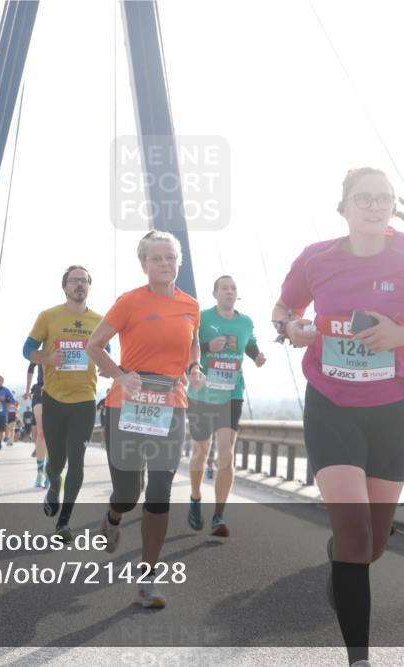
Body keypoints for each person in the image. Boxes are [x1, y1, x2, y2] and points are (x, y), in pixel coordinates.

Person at [273, 167, 404, 667]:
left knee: (373, 544)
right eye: (364, 198)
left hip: (391, 411)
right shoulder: (315, 258)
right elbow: (282, 309)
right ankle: (359, 659)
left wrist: (403, 336)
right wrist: (291, 328)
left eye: (385, 198)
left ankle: (339, 557)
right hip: (331, 404)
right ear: (343, 207)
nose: (375, 206)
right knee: (356, 532)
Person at [87, 231, 205, 609]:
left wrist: (195, 365)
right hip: (127, 404)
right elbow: (94, 345)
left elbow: (194, 340)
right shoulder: (130, 302)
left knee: (159, 490)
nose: (165, 264)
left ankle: (147, 578)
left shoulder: (191, 305)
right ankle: (112, 516)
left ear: (179, 262)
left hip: (171, 403)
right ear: (144, 264)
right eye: (157, 259)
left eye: (171, 258)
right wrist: (120, 375)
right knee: (128, 492)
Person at [24, 265, 104, 541]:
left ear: (89, 286)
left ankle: (64, 522)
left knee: (77, 461)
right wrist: (47, 359)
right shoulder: (48, 316)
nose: (79, 284)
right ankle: (53, 484)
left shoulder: (99, 320)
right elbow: (27, 350)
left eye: (84, 280)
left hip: (85, 401)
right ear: (65, 286)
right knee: (56, 462)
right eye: (74, 281)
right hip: (54, 399)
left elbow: (107, 355)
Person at [186, 275, 266, 537]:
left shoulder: (245, 321)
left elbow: (250, 343)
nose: (229, 292)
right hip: (202, 394)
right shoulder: (203, 318)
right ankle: (196, 498)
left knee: (226, 453)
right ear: (215, 293)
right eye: (224, 288)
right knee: (200, 451)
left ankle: (218, 516)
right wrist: (209, 346)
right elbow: (190, 347)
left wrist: (257, 356)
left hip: (232, 392)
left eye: (233, 288)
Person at [26, 362, 48, 486]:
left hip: (57, 392)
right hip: (40, 391)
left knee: (53, 436)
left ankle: (49, 473)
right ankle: (40, 472)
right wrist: (27, 389)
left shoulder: (64, 346)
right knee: (41, 433)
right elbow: (31, 367)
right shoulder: (40, 352)